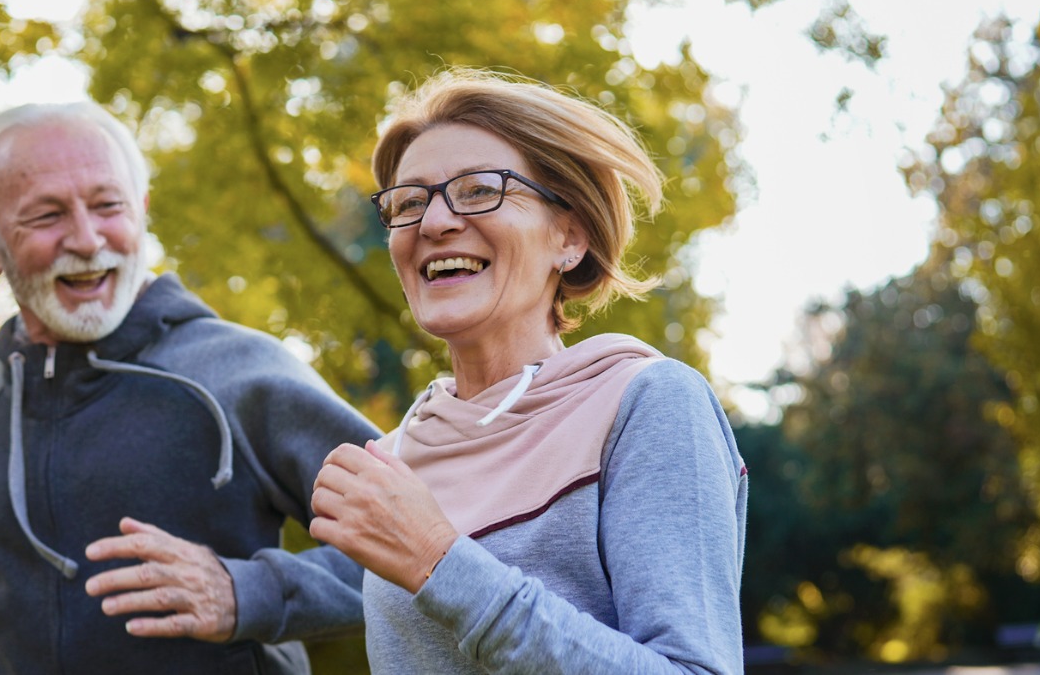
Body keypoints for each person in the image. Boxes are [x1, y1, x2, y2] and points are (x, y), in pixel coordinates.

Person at [308, 70, 748, 673]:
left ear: (570, 237)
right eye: (409, 203)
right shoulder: (394, 459)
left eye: (479, 189)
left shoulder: (647, 404)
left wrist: (440, 563)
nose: (433, 223)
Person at [0, 101, 381, 674]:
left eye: (107, 205)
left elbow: (422, 548)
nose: (88, 240)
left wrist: (248, 592)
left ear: (140, 212)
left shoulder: (240, 373)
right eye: (47, 216)